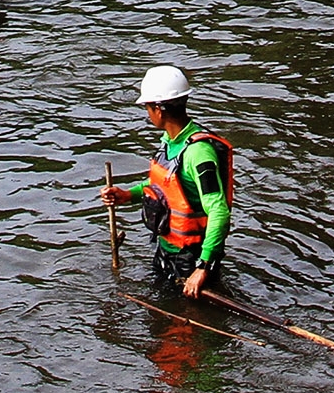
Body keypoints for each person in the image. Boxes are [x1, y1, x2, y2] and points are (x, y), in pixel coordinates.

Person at [99, 66, 234, 298]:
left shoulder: (198, 154)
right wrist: (127, 195)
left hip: (192, 258)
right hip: (167, 250)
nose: (147, 113)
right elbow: (166, 187)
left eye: (147, 107)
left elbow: (218, 210)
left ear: (159, 110)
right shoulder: (171, 143)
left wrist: (202, 268)